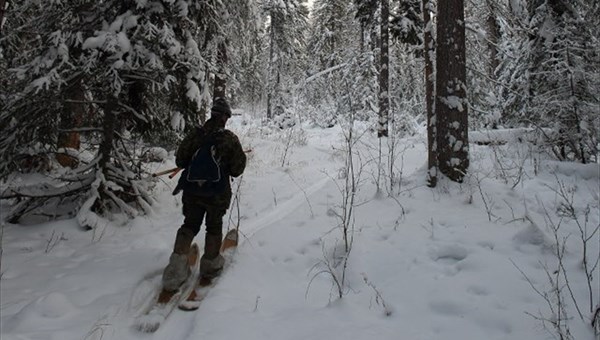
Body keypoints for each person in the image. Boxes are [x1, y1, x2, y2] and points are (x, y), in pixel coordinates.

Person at [162, 98, 246, 294]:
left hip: (191, 191)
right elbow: (237, 170)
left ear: (212, 114)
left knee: (189, 225)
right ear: (225, 117)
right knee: (214, 226)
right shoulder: (229, 139)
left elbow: (181, 159)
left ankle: (175, 269)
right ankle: (211, 265)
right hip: (217, 193)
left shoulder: (195, 134)